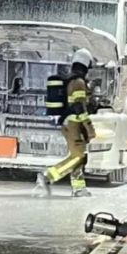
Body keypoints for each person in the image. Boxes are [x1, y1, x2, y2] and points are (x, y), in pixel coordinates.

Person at [35, 48, 96, 198]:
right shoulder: (78, 82)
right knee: (78, 157)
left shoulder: (71, 80)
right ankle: (47, 176)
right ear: (85, 66)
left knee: (78, 156)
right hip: (74, 125)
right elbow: (79, 106)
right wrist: (89, 127)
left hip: (70, 124)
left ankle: (78, 188)